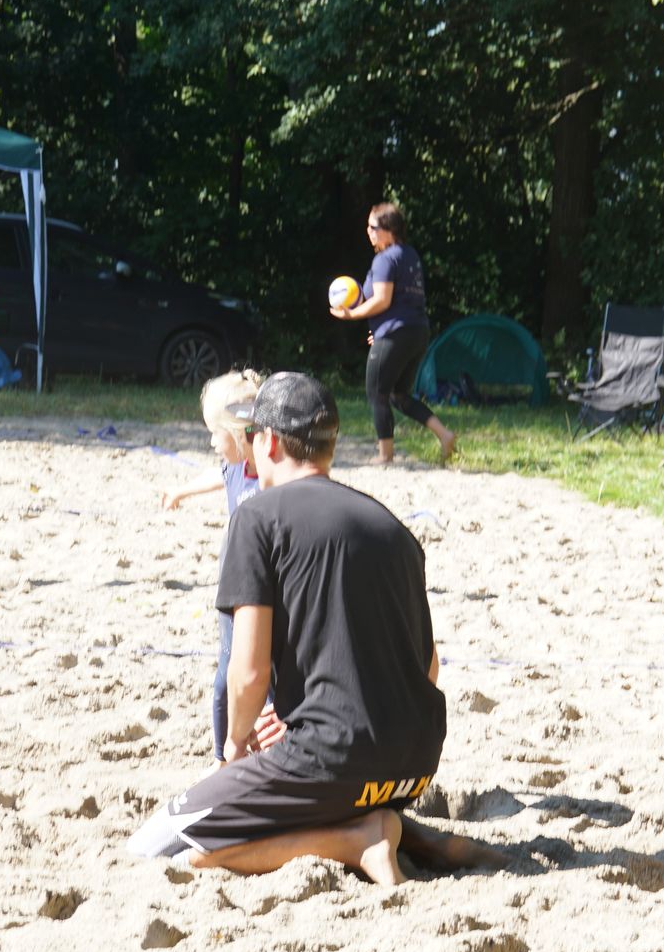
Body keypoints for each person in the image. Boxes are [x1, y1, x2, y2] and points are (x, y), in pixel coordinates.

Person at [128, 372, 498, 883]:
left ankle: (355, 840)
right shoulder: (393, 528)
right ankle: (411, 836)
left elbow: (248, 672)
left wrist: (234, 750)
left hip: (334, 760)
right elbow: (428, 667)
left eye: (252, 433)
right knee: (316, 793)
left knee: (160, 848)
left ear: (269, 442)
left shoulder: (257, 518)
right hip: (415, 763)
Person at [161, 369, 267, 766]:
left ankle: (268, 758)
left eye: (214, 433)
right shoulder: (236, 467)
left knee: (265, 681)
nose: (211, 442)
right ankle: (224, 762)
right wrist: (180, 491)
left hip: (265, 595)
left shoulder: (271, 475)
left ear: (238, 433)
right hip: (234, 590)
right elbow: (218, 475)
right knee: (225, 678)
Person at [329, 202, 457, 465]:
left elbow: (382, 300)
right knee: (399, 395)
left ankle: (385, 456)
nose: (368, 231)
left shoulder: (385, 259)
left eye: (372, 227)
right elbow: (401, 301)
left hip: (396, 332)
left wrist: (352, 315)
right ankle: (445, 435)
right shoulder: (409, 255)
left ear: (389, 230)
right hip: (416, 331)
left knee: (377, 392)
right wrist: (381, 330)